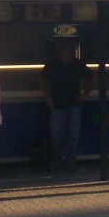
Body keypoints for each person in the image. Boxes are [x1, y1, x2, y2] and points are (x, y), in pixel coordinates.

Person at [40, 39, 93, 176]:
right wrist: (48, 97)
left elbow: (92, 76)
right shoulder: (53, 63)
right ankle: (57, 161)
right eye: (62, 50)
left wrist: (85, 94)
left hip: (73, 104)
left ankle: (70, 163)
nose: (64, 53)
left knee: (73, 136)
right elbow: (42, 79)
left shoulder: (77, 64)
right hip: (57, 104)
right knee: (56, 136)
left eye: (67, 51)